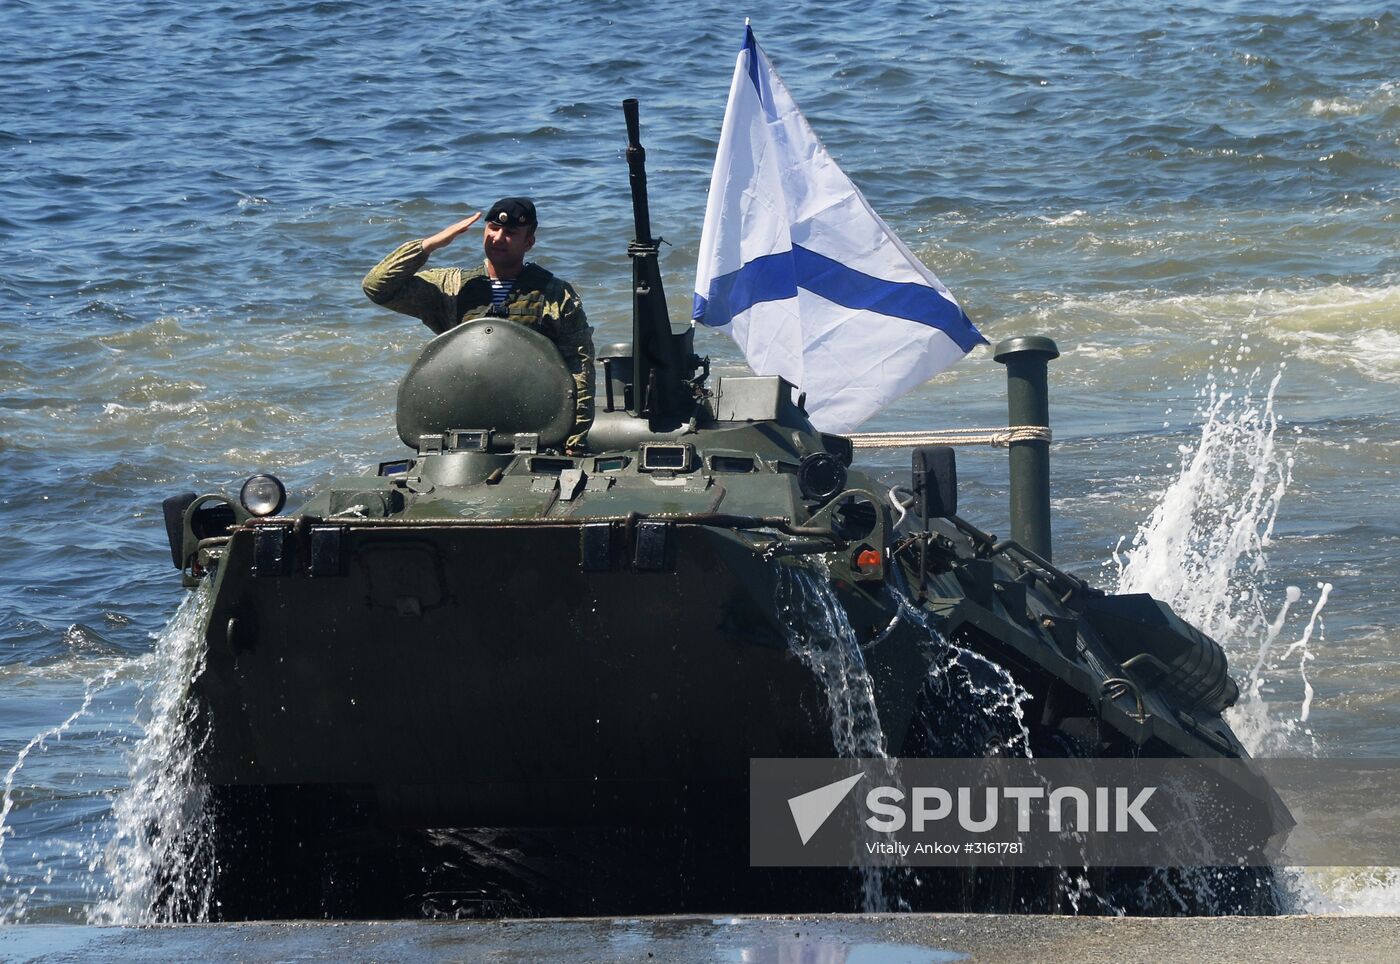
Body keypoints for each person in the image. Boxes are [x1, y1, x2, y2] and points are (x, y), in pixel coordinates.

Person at [362, 197, 594, 451]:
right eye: (493, 228)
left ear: (528, 242)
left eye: (510, 233)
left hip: (531, 424)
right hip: (463, 420)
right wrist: (429, 245)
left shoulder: (555, 295)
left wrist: (574, 441)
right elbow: (377, 287)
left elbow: (579, 367)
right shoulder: (452, 287)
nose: (497, 238)